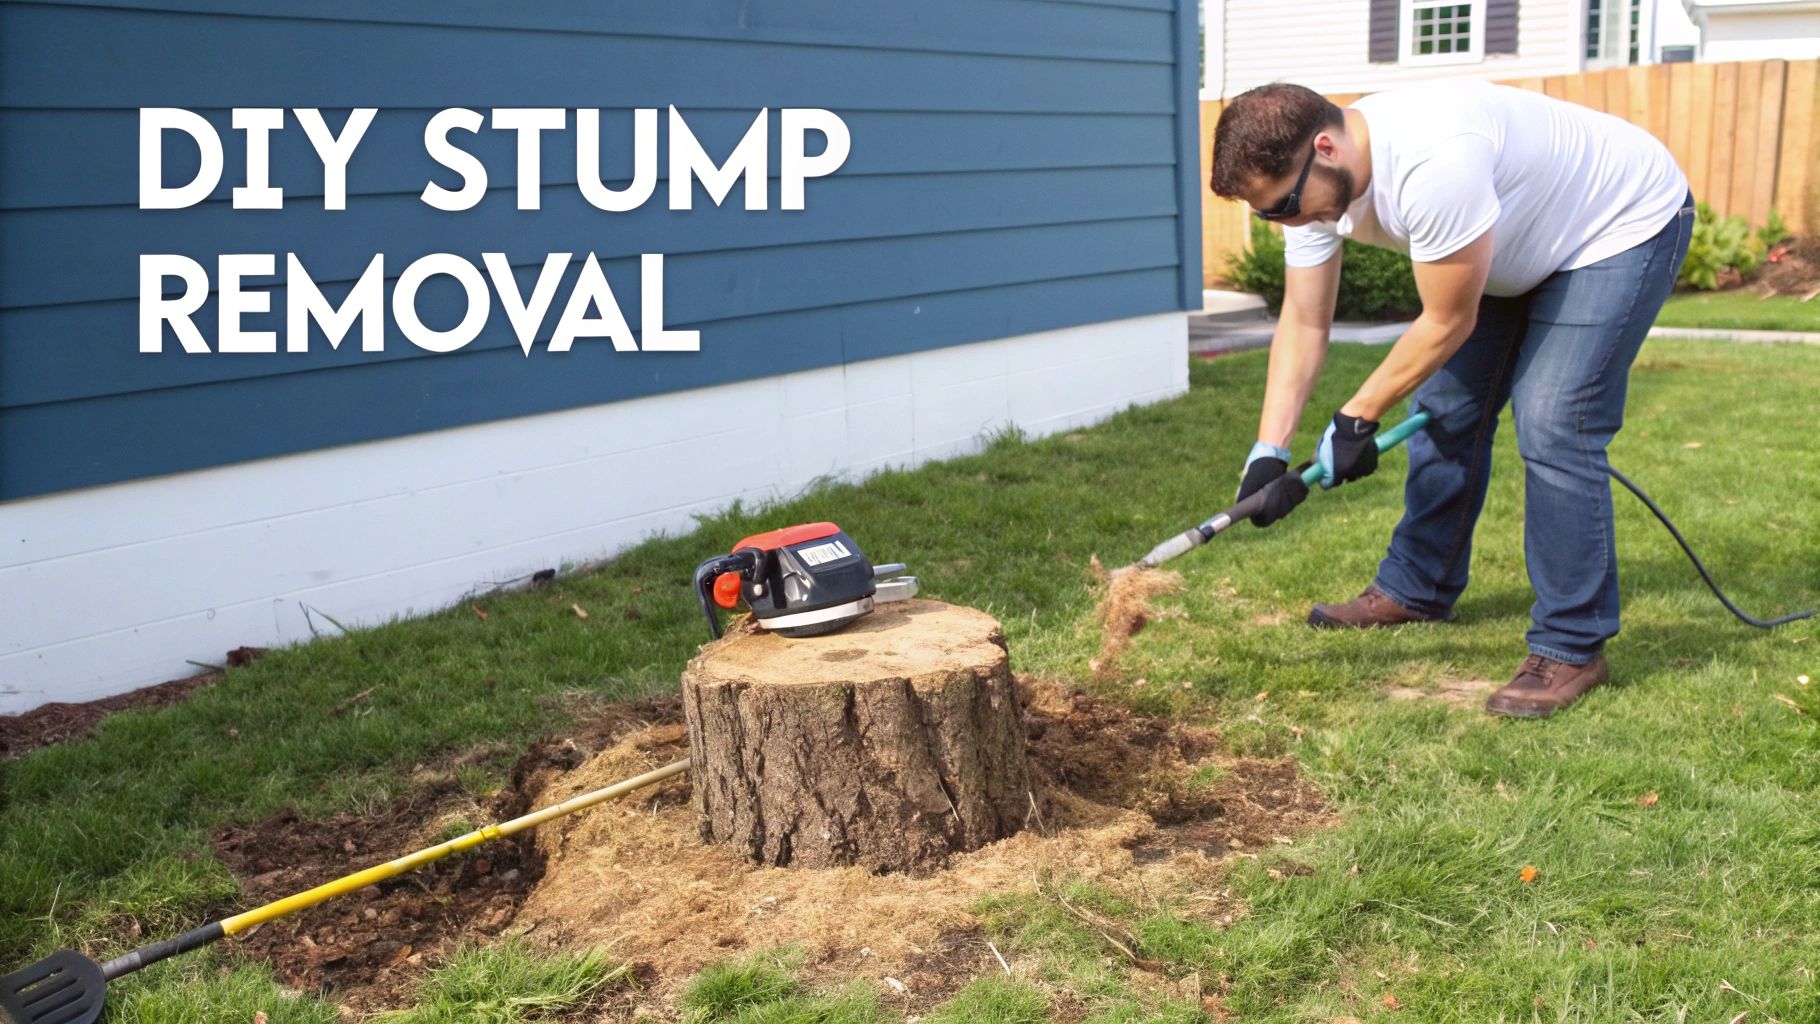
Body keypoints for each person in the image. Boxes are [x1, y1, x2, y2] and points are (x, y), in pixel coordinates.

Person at [1209, 79, 1693, 718]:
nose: (1286, 222)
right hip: (1513, 244)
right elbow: (1303, 320)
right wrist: (1268, 450)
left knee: (1554, 421)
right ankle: (1417, 588)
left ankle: (1572, 645)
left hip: (1615, 227)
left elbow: (1448, 320)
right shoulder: (1309, 189)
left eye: (1285, 206)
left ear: (1325, 147)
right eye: (1269, 214)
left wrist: (1357, 416)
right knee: (1444, 412)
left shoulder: (1433, 160)